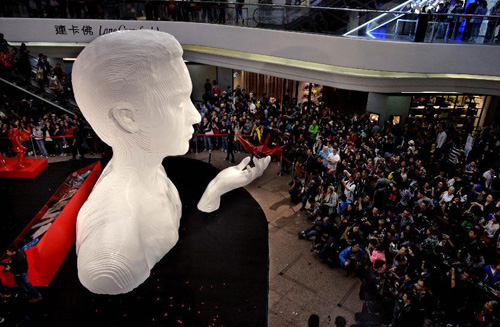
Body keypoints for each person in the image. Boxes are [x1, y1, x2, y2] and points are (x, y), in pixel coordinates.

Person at [71, 30, 270, 295]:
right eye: (178, 102)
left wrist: (216, 189)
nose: (196, 116)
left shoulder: (153, 170)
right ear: (127, 118)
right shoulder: (112, 258)